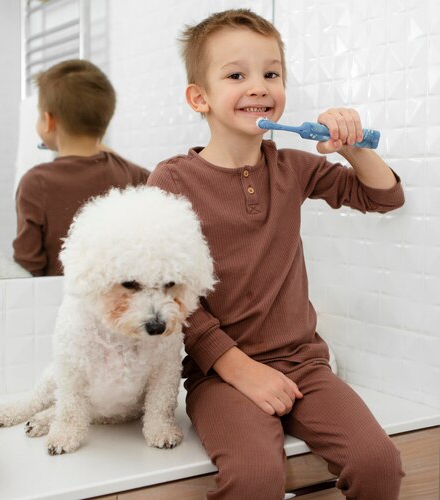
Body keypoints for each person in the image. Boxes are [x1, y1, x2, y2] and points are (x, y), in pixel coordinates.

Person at [147, 9, 405, 499]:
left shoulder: (295, 167)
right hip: (219, 375)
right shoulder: (172, 181)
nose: (259, 86)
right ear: (198, 97)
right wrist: (237, 367)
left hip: (305, 364)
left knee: (378, 462)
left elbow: (384, 196)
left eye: (271, 73)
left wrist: (349, 147)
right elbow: (167, 293)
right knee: (254, 479)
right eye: (236, 75)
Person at [14, 59, 149, 276]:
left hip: (58, 302)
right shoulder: (134, 175)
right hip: (119, 304)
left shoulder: (35, 182)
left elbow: (27, 265)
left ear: (48, 122)